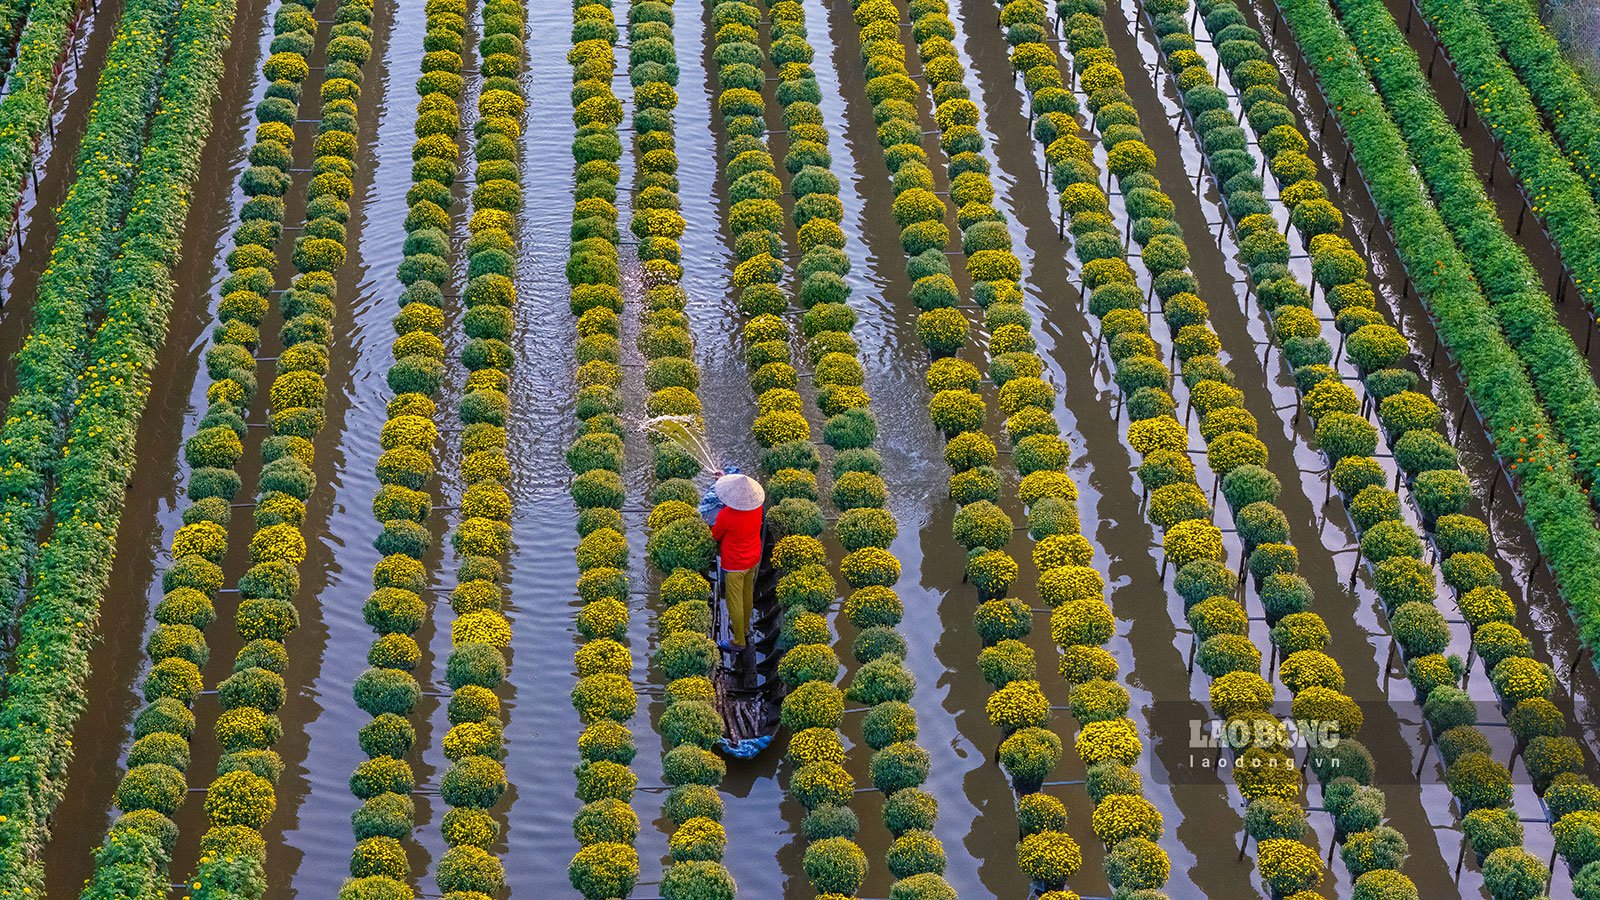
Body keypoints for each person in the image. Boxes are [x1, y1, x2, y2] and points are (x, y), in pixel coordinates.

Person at [710, 472, 764, 652]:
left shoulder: (726, 515)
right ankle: (746, 630)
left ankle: (739, 641)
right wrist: (724, 479)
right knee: (747, 594)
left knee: (734, 602)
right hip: (753, 559)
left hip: (735, 564)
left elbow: (716, 534)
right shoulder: (757, 508)